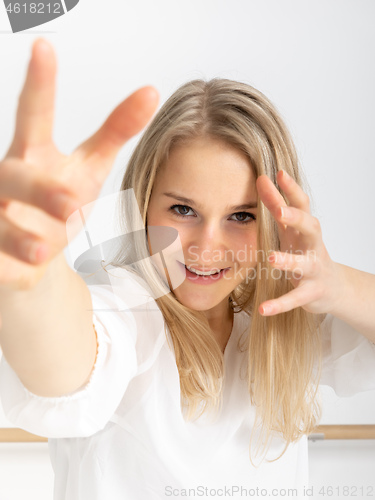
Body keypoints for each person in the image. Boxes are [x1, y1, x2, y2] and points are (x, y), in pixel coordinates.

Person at [0, 38, 374, 500]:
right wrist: (29, 276)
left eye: (241, 216)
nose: (206, 247)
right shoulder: (126, 308)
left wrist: (338, 285)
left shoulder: (279, 328)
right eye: (183, 210)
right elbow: (66, 364)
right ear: (144, 204)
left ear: (274, 224)